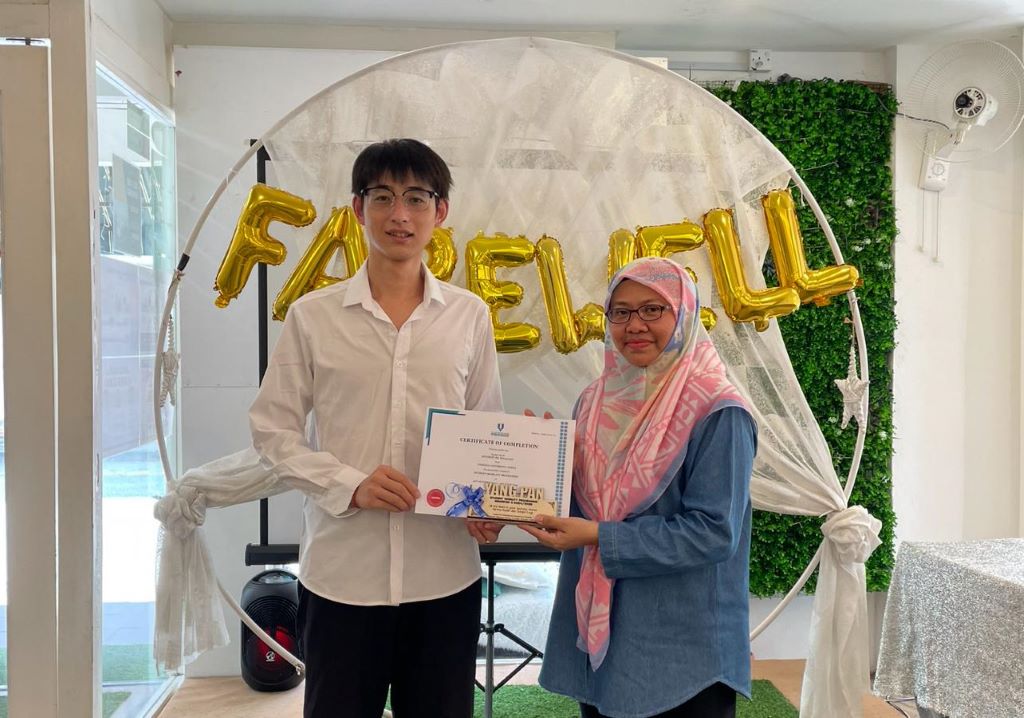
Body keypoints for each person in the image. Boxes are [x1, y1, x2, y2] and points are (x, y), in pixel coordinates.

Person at [249, 138, 503, 718]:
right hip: (342, 578)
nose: (399, 214)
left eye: (416, 198)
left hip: (444, 576)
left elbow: (484, 426)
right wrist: (350, 484)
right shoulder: (313, 317)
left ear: (440, 211)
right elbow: (272, 430)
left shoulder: (470, 316)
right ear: (358, 208)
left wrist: (490, 499)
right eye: (383, 197)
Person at [519, 257, 756, 718]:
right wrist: (539, 466)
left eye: (653, 309)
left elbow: (713, 532)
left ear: (684, 314)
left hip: (683, 650)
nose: (635, 325)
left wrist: (598, 537)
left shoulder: (717, 409)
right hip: (604, 644)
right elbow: (587, 502)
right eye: (621, 311)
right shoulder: (594, 401)